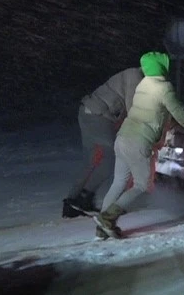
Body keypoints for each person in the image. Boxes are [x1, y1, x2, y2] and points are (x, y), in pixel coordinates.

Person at [96, 51, 184, 239]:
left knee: (119, 182)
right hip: (139, 142)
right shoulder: (164, 88)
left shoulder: (143, 85)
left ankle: (102, 227)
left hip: (123, 138)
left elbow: (160, 115)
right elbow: (182, 116)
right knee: (143, 185)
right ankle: (107, 218)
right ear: (161, 67)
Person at [62, 64, 144, 218]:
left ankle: (74, 200)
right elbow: (133, 109)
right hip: (97, 116)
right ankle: (82, 197)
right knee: (111, 158)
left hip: (91, 113)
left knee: (95, 160)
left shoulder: (132, 75)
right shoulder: (135, 77)